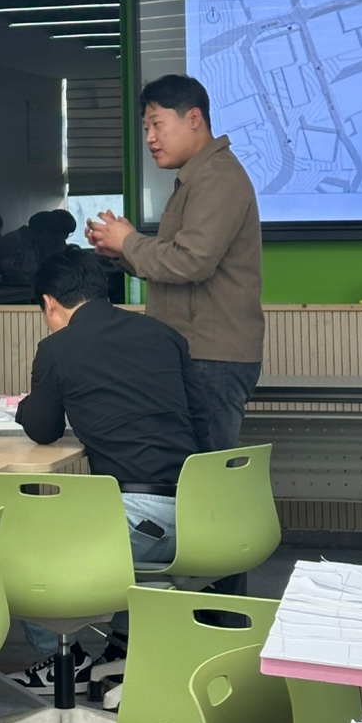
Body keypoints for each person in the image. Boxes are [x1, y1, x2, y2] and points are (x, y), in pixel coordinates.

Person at [9, 249, 211, 694]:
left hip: (140, 521)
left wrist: (24, 406)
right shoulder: (164, 336)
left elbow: (43, 428)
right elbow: (203, 422)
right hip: (202, 513)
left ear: (49, 303)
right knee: (105, 520)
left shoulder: (57, 349)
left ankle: (63, 660)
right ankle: (122, 647)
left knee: (18, 542)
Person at [85, 74, 264, 451]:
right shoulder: (198, 177)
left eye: (157, 124)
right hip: (195, 352)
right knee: (188, 470)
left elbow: (192, 262)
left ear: (193, 118)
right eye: (146, 128)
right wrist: (121, 251)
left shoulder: (217, 177)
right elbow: (176, 261)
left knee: (203, 474)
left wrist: (129, 241)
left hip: (210, 356)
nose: (150, 138)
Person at [0, 210, 67, 288]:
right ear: (45, 232)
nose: (51, 238)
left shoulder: (38, 243)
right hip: (12, 290)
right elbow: (13, 274)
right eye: (52, 234)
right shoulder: (13, 240)